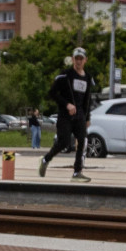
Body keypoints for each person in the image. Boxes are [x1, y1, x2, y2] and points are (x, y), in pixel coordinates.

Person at [38, 50, 93, 181]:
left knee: (82, 140)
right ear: (73, 59)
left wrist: (87, 117)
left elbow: (87, 99)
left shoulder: (88, 78)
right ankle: (46, 159)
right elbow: (52, 93)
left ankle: (77, 172)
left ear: (85, 60)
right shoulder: (65, 75)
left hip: (79, 115)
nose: (79, 61)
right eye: (76, 59)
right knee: (64, 142)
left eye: (81, 59)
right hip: (65, 115)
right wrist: (67, 104)